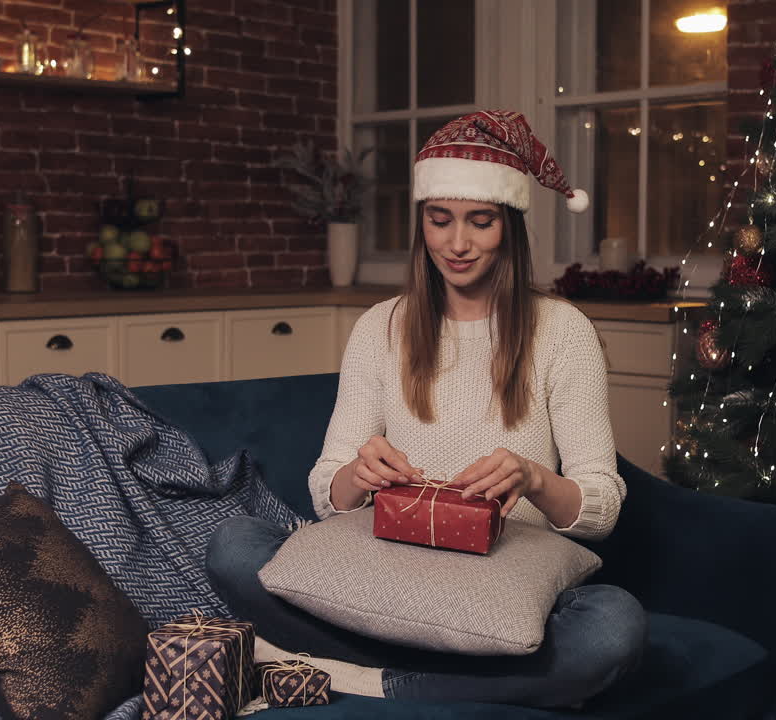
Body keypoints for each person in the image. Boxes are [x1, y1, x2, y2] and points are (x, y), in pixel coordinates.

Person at [207, 110, 645, 708]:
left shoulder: (562, 331)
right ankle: (455, 682)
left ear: (510, 225)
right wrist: (357, 476)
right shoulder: (379, 327)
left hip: (504, 584)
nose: (457, 244)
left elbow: (602, 510)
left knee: (612, 625)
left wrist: (534, 477)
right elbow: (325, 493)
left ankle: (372, 677)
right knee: (233, 544)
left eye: (480, 222)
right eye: (439, 221)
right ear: (421, 222)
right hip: (388, 571)